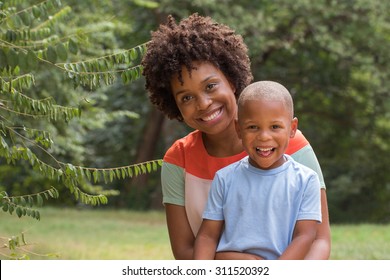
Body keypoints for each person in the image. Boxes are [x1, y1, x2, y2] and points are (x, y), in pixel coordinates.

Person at [141, 13, 330, 260]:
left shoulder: (290, 145)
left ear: (231, 80)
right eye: (186, 97)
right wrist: (242, 264)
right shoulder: (179, 158)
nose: (204, 103)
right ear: (174, 105)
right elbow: (186, 252)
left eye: (210, 86)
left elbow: (319, 240)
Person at [193, 81, 322, 260]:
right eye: (253, 127)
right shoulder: (224, 178)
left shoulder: (306, 180)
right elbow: (207, 236)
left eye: (275, 127)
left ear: (292, 129)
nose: (264, 137)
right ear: (238, 129)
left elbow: (305, 236)